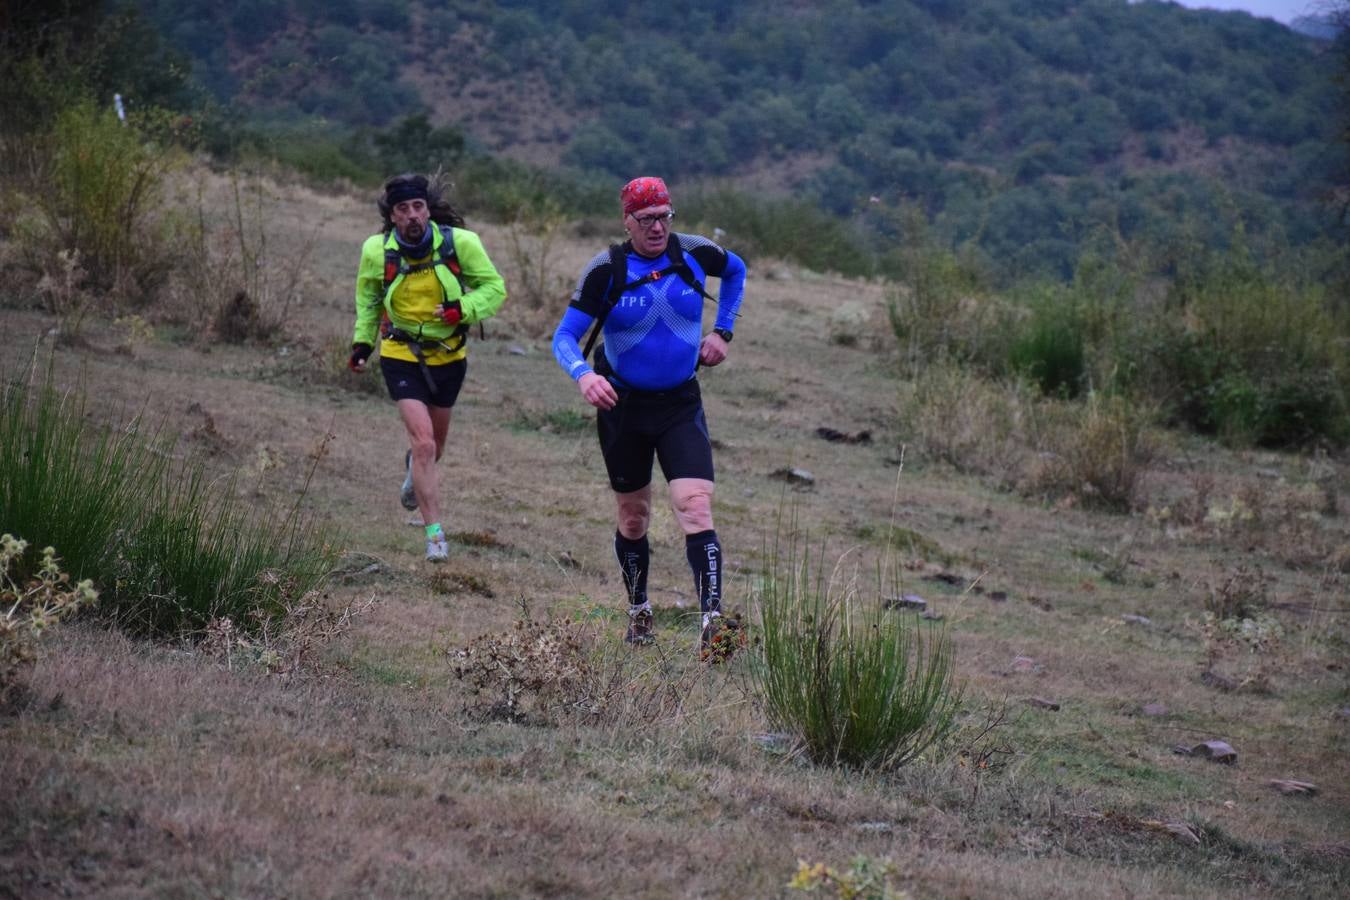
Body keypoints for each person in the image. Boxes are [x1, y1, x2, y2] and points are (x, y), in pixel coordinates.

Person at [552, 177, 746, 652]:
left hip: (680, 403)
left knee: (695, 507)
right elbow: (562, 338)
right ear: (627, 221)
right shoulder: (605, 270)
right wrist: (583, 375)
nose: (658, 227)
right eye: (647, 219)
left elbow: (737, 271)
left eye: (665, 216)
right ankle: (639, 610)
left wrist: (723, 331)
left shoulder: (696, 252)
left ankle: (712, 623)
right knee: (634, 517)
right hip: (623, 407)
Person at [350, 173, 506, 562]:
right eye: (403, 209)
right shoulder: (376, 251)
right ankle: (435, 535)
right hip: (400, 352)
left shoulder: (460, 244)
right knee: (423, 443)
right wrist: (362, 343)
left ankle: (413, 471)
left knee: (433, 448)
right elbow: (369, 300)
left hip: (448, 356)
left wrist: (461, 310)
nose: (412, 215)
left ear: (427, 209)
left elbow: (494, 289)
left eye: (418, 206)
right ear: (393, 216)